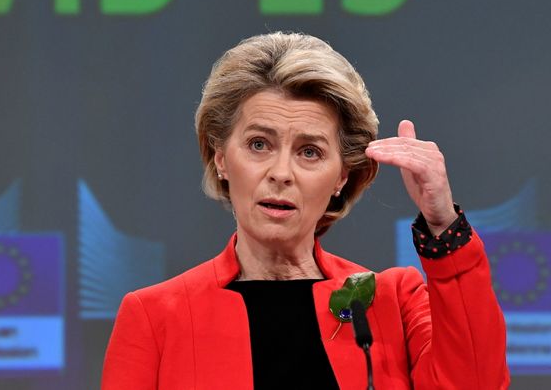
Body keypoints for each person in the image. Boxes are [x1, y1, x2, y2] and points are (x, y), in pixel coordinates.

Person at [101, 32, 509, 389]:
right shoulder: (155, 317)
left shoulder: (392, 303)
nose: (281, 173)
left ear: (341, 177)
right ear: (221, 157)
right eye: (259, 144)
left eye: (309, 152)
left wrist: (443, 225)